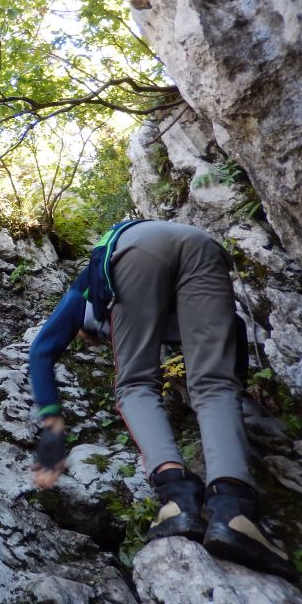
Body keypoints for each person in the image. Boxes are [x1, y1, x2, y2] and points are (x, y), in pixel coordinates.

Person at [28, 219, 293, 579]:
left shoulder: (83, 298)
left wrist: (53, 426)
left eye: (91, 338)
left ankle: (179, 497)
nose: (95, 341)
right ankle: (233, 510)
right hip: (202, 243)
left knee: (135, 383)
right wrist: (240, 381)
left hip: (137, 248)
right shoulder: (157, 314)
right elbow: (235, 328)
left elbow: (41, 350)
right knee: (215, 384)